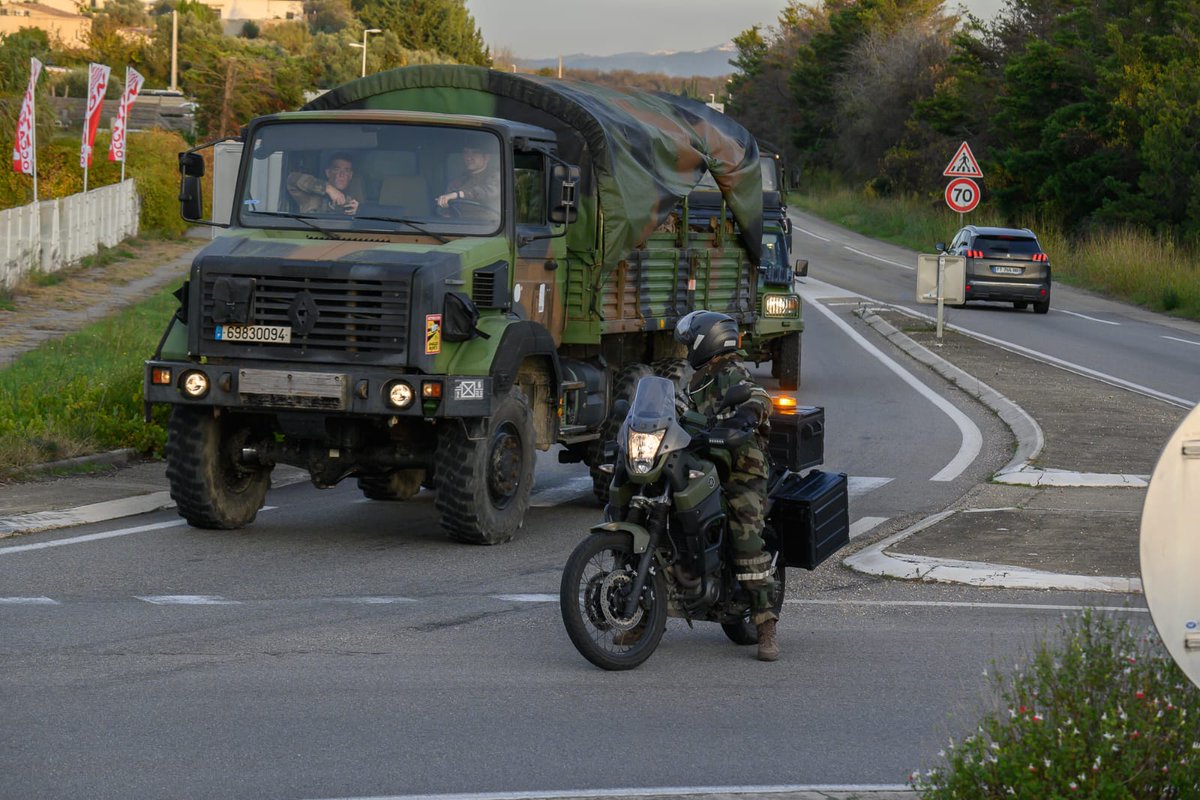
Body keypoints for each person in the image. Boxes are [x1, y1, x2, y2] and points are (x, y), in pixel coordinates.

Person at [674, 309, 781, 662]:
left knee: (745, 538)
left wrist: (748, 414)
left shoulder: (731, 372)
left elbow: (759, 397)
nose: (686, 349)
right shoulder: (694, 380)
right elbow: (673, 411)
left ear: (710, 342)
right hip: (701, 458)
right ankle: (642, 614)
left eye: (690, 342)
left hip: (740, 467)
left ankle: (765, 625)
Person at [435, 144, 500, 218]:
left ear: (486, 157)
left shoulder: (496, 177)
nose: (468, 157)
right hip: (460, 225)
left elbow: (487, 191)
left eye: (475, 152)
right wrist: (444, 209)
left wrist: (458, 194)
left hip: (489, 226)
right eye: (466, 152)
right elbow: (445, 207)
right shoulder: (458, 181)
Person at [286, 153, 360, 215]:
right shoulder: (310, 196)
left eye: (346, 170)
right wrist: (327, 188)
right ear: (328, 173)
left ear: (350, 175)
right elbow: (292, 178)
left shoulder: (352, 202)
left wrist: (358, 212)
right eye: (337, 169)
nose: (342, 174)